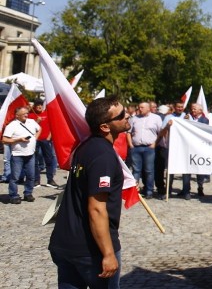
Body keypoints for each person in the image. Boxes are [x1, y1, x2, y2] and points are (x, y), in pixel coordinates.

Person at [49, 95, 130, 288]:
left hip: (65, 243)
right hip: (90, 250)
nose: (128, 116)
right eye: (122, 115)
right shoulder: (103, 156)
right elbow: (96, 209)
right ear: (104, 127)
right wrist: (108, 254)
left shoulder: (84, 146)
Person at [2, 106, 40, 204]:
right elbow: (4, 139)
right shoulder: (12, 125)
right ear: (17, 115)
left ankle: (28, 193)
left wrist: (35, 138)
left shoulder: (31, 122)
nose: (26, 115)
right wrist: (18, 139)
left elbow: (39, 129)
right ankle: (14, 195)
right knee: (15, 177)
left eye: (27, 113)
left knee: (31, 176)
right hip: (17, 155)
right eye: (24, 114)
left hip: (30, 154)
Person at [128, 101, 162, 199]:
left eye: (142, 107)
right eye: (139, 107)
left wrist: (155, 144)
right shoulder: (134, 119)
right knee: (136, 170)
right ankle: (134, 191)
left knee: (149, 170)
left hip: (149, 148)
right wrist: (131, 145)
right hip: (136, 147)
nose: (140, 109)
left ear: (148, 108)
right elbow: (128, 132)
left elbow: (160, 132)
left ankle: (149, 191)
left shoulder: (156, 118)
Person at [177, 103, 210, 200]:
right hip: (188, 147)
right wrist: (186, 121)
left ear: (200, 110)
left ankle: (200, 187)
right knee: (186, 169)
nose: (193, 110)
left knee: (199, 169)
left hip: (199, 148)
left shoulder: (205, 120)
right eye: (192, 109)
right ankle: (186, 190)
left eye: (195, 109)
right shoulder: (187, 118)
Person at [28, 98, 60, 188]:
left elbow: (52, 126)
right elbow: (28, 128)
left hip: (45, 140)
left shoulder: (47, 114)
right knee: (35, 161)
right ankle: (36, 180)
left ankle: (50, 180)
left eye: (41, 105)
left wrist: (49, 137)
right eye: (38, 105)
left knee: (49, 159)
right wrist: (36, 122)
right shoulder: (30, 115)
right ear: (35, 106)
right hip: (35, 140)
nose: (39, 107)